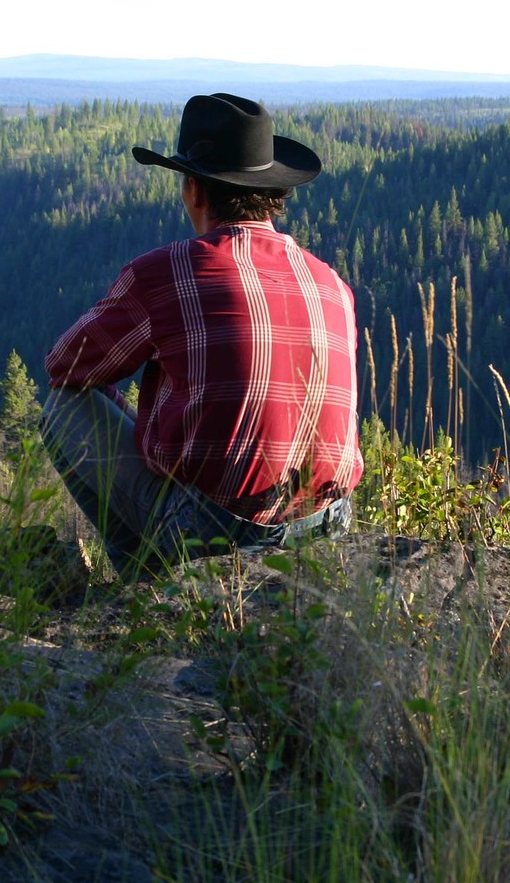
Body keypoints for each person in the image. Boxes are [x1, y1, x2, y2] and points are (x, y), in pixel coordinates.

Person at [42, 93, 363, 579]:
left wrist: (142, 423)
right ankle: (160, 592)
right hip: (327, 524)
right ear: (273, 192)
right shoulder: (332, 284)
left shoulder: (167, 273)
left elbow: (66, 364)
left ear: (194, 190)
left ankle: (146, 586)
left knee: (64, 407)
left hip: (214, 532)